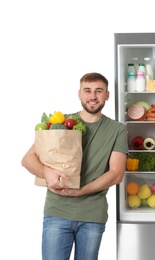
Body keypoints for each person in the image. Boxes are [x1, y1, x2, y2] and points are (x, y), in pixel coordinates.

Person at [21, 72, 129, 260]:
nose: (93, 96)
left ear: (107, 95)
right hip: (57, 211)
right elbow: (28, 159)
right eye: (87, 91)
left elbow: (116, 173)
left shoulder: (117, 129)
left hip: (92, 215)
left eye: (99, 91)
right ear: (79, 94)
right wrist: (47, 172)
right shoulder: (60, 122)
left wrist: (82, 191)